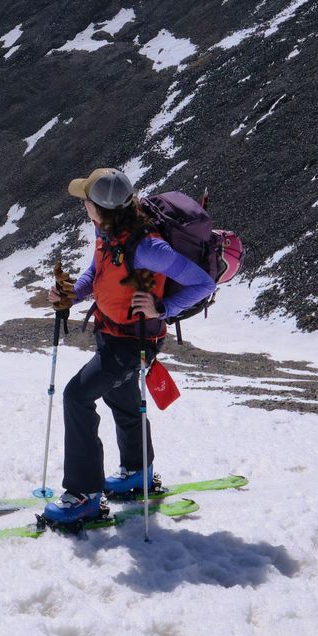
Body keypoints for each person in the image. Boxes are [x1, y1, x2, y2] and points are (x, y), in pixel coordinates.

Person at [44, 167, 216, 526]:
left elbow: (202, 284)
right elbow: (98, 271)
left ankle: (85, 497)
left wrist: (163, 308)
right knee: (119, 397)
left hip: (133, 342)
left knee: (77, 396)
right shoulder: (105, 231)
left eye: (86, 201)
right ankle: (138, 474)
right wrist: (71, 294)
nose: (83, 207)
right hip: (111, 332)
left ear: (100, 207)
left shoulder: (148, 248)